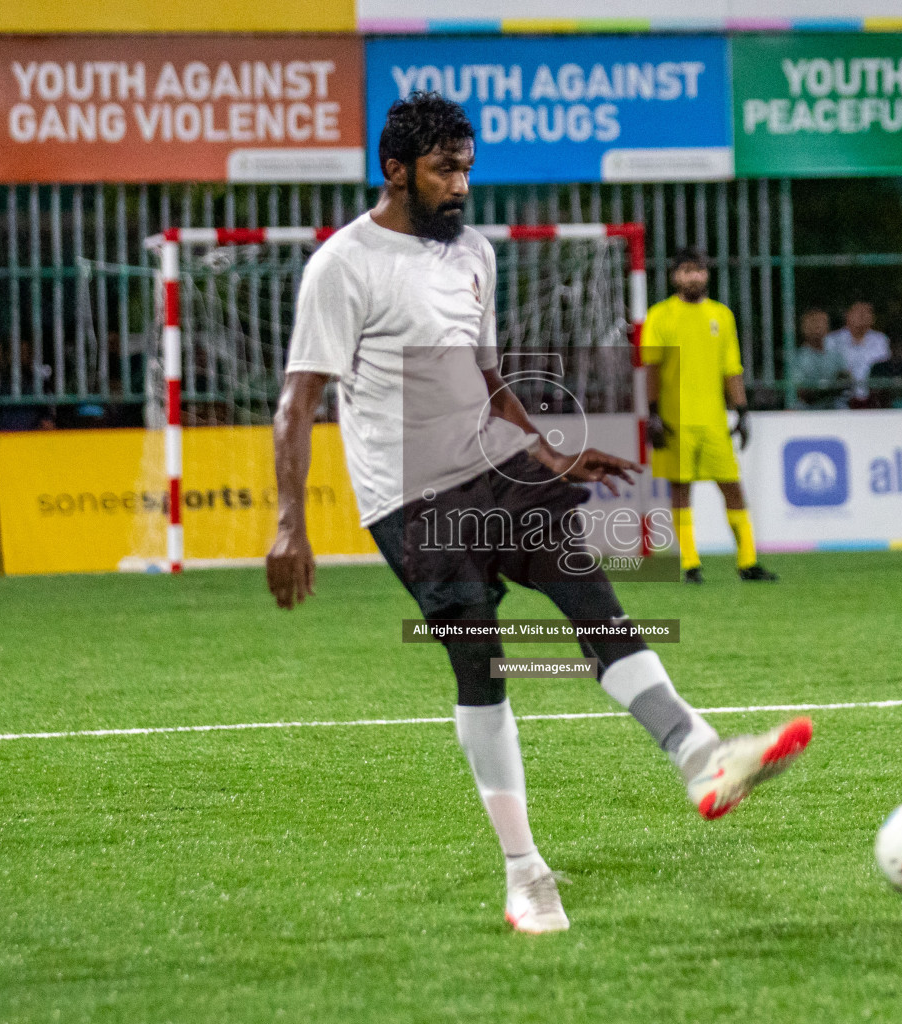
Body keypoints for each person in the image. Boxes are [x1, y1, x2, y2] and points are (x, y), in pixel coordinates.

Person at [264, 93, 812, 935]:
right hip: (409, 496)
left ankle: (701, 756)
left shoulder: (474, 254)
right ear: (396, 170)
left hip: (496, 466)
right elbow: (297, 402)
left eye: (467, 170)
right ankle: (526, 874)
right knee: (481, 667)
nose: (461, 187)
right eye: (446, 170)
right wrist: (288, 524)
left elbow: (485, 380)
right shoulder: (344, 265)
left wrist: (549, 452)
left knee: (596, 603)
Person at [642, 247, 778, 585]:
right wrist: (653, 414)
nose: (693, 276)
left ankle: (748, 561)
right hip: (676, 418)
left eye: (698, 270)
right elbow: (651, 369)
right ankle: (690, 564)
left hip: (714, 419)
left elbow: (731, 369)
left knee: (732, 486)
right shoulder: (660, 315)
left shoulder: (722, 315)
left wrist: (742, 411)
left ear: (707, 274)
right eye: (686, 270)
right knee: (680, 488)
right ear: (675, 277)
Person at [823, 300, 890, 406]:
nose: (862, 316)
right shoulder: (832, 340)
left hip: (874, 401)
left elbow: (883, 370)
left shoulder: (881, 340)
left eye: (867, 312)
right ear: (847, 315)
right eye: (858, 312)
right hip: (840, 401)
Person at [790, 307, 848, 409]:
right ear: (804, 328)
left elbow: (846, 380)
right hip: (808, 410)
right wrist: (831, 389)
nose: (818, 326)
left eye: (822, 322)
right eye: (813, 322)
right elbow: (803, 393)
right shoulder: (797, 358)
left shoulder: (835, 355)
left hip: (835, 407)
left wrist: (829, 389)